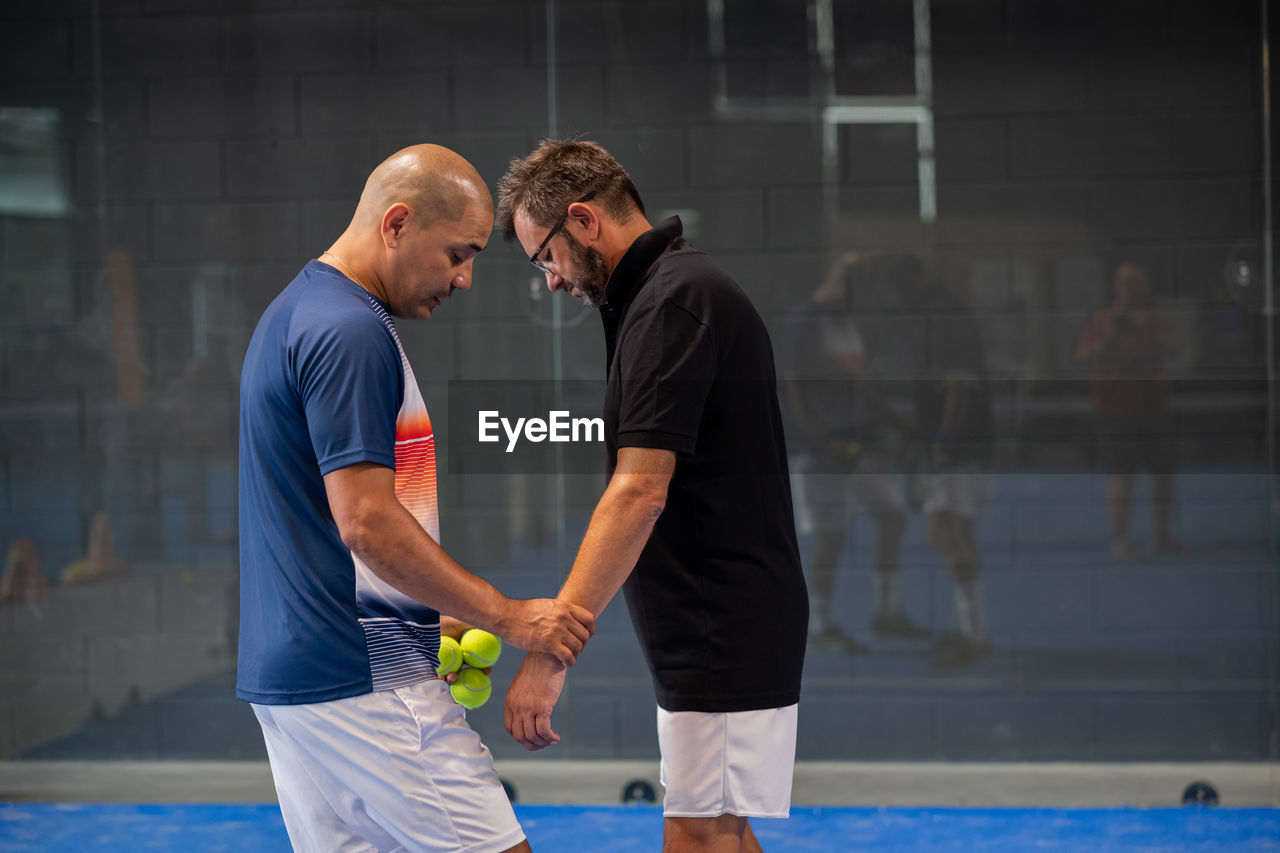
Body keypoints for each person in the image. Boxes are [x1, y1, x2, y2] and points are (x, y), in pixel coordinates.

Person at [237, 144, 596, 853]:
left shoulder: (299, 310)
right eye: (457, 254)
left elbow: (323, 519)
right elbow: (366, 520)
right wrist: (505, 614)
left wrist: (429, 611)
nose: (464, 279)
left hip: (298, 682)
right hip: (364, 678)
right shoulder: (350, 332)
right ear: (396, 224)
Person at [496, 140, 809, 853]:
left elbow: (638, 490)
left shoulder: (674, 301)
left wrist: (550, 651)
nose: (549, 280)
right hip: (712, 617)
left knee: (700, 833)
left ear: (582, 220)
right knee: (717, 828)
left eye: (544, 256)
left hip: (719, 619)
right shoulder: (660, 297)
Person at [779, 251, 929, 655]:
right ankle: (821, 625)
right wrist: (819, 438)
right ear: (845, 283)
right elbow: (793, 386)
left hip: (858, 445)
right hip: (820, 451)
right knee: (833, 535)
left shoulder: (847, 323)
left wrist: (895, 421)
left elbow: (857, 384)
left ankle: (887, 611)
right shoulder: (805, 321)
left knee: (892, 516)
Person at [1076, 261, 1191, 563]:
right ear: (1115, 287)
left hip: (1153, 406)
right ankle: (1121, 540)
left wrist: (1147, 330)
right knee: (1122, 474)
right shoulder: (1102, 322)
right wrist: (1109, 337)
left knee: (1164, 474)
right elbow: (1083, 355)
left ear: (1144, 288)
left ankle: (1162, 537)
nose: (1128, 290)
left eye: (1134, 283)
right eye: (1123, 283)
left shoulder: (1153, 321)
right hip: (1115, 408)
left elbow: (1177, 348)